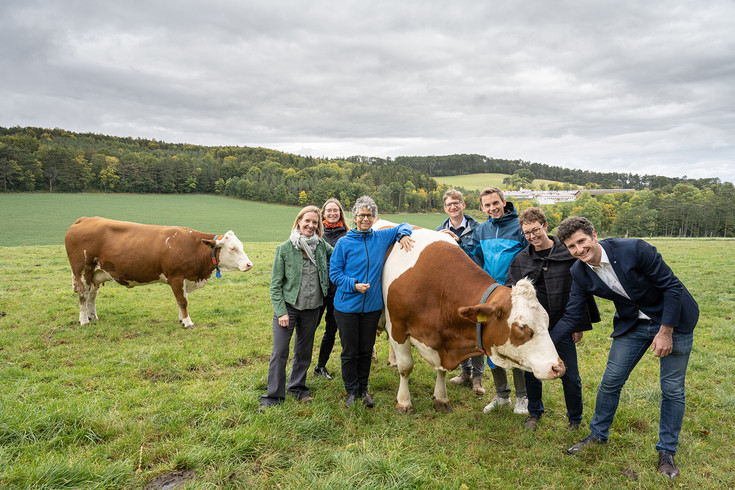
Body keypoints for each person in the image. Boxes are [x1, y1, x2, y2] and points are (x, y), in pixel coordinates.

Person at [555, 216, 698, 479]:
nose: (578, 250)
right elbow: (573, 314)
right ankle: (597, 435)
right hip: (632, 324)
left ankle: (667, 452)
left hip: (674, 319)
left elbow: (672, 287)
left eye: (581, 242)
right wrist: (545, 343)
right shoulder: (579, 271)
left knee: (672, 388)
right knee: (610, 381)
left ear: (594, 236)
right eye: (571, 247)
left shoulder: (634, 249)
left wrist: (666, 331)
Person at [507, 208, 600, 431]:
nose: (532, 236)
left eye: (535, 230)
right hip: (533, 330)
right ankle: (534, 412)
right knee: (531, 372)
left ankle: (574, 419)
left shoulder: (568, 254)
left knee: (570, 375)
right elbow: (513, 293)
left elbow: (580, 292)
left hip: (563, 323)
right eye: (527, 233)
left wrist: (578, 325)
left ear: (545, 226)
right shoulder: (521, 260)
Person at [330, 195, 415, 408]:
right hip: (346, 306)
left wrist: (404, 234)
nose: (365, 219)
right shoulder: (344, 242)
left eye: (369, 215)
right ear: (354, 217)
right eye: (361, 215)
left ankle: (364, 389)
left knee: (366, 350)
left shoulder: (380, 237)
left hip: (371, 308)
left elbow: (404, 225)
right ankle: (351, 391)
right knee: (350, 351)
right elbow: (334, 273)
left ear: (374, 218)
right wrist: (353, 284)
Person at [260, 206, 333, 409]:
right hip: (288, 309)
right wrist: (281, 311)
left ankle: (298, 388)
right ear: (298, 222)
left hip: (313, 308)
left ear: (319, 226)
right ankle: (274, 396)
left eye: (315, 222)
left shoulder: (321, 247)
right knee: (280, 352)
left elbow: (341, 255)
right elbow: (275, 286)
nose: (311, 225)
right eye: (307, 221)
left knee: (304, 351)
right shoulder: (284, 249)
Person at [464, 187, 529, 414]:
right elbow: (470, 254)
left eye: (495, 203)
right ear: (482, 208)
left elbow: (531, 258)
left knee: (515, 345)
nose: (492, 208)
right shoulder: (482, 230)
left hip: (515, 296)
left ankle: (523, 397)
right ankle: (502, 396)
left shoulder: (519, 227)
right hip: (491, 297)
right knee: (492, 346)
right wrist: (450, 242)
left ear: (503, 202)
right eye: (487, 205)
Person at [436, 189, 485, 395]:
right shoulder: (439, 231)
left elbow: (480, 256)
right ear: (445, 208)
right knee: (458, 329)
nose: (453, 207)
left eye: (456, 203)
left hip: (476, 286)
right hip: (453, 289)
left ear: (463, 205)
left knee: (478, 329)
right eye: (449, 204)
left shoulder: (478, 228)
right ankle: (465, 372)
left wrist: (458, 244)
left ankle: (478, 377)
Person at [313, 198, 350, 380]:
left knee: (331, 330)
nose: (332, 213)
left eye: (336, 210)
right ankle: (300, 364)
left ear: (340, 213)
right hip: (319, 290)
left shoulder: (348, 234)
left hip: (339, 291)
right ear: (323, 213)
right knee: (309, 328)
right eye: (329, 211)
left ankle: (321, 366)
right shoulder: (317, 233)